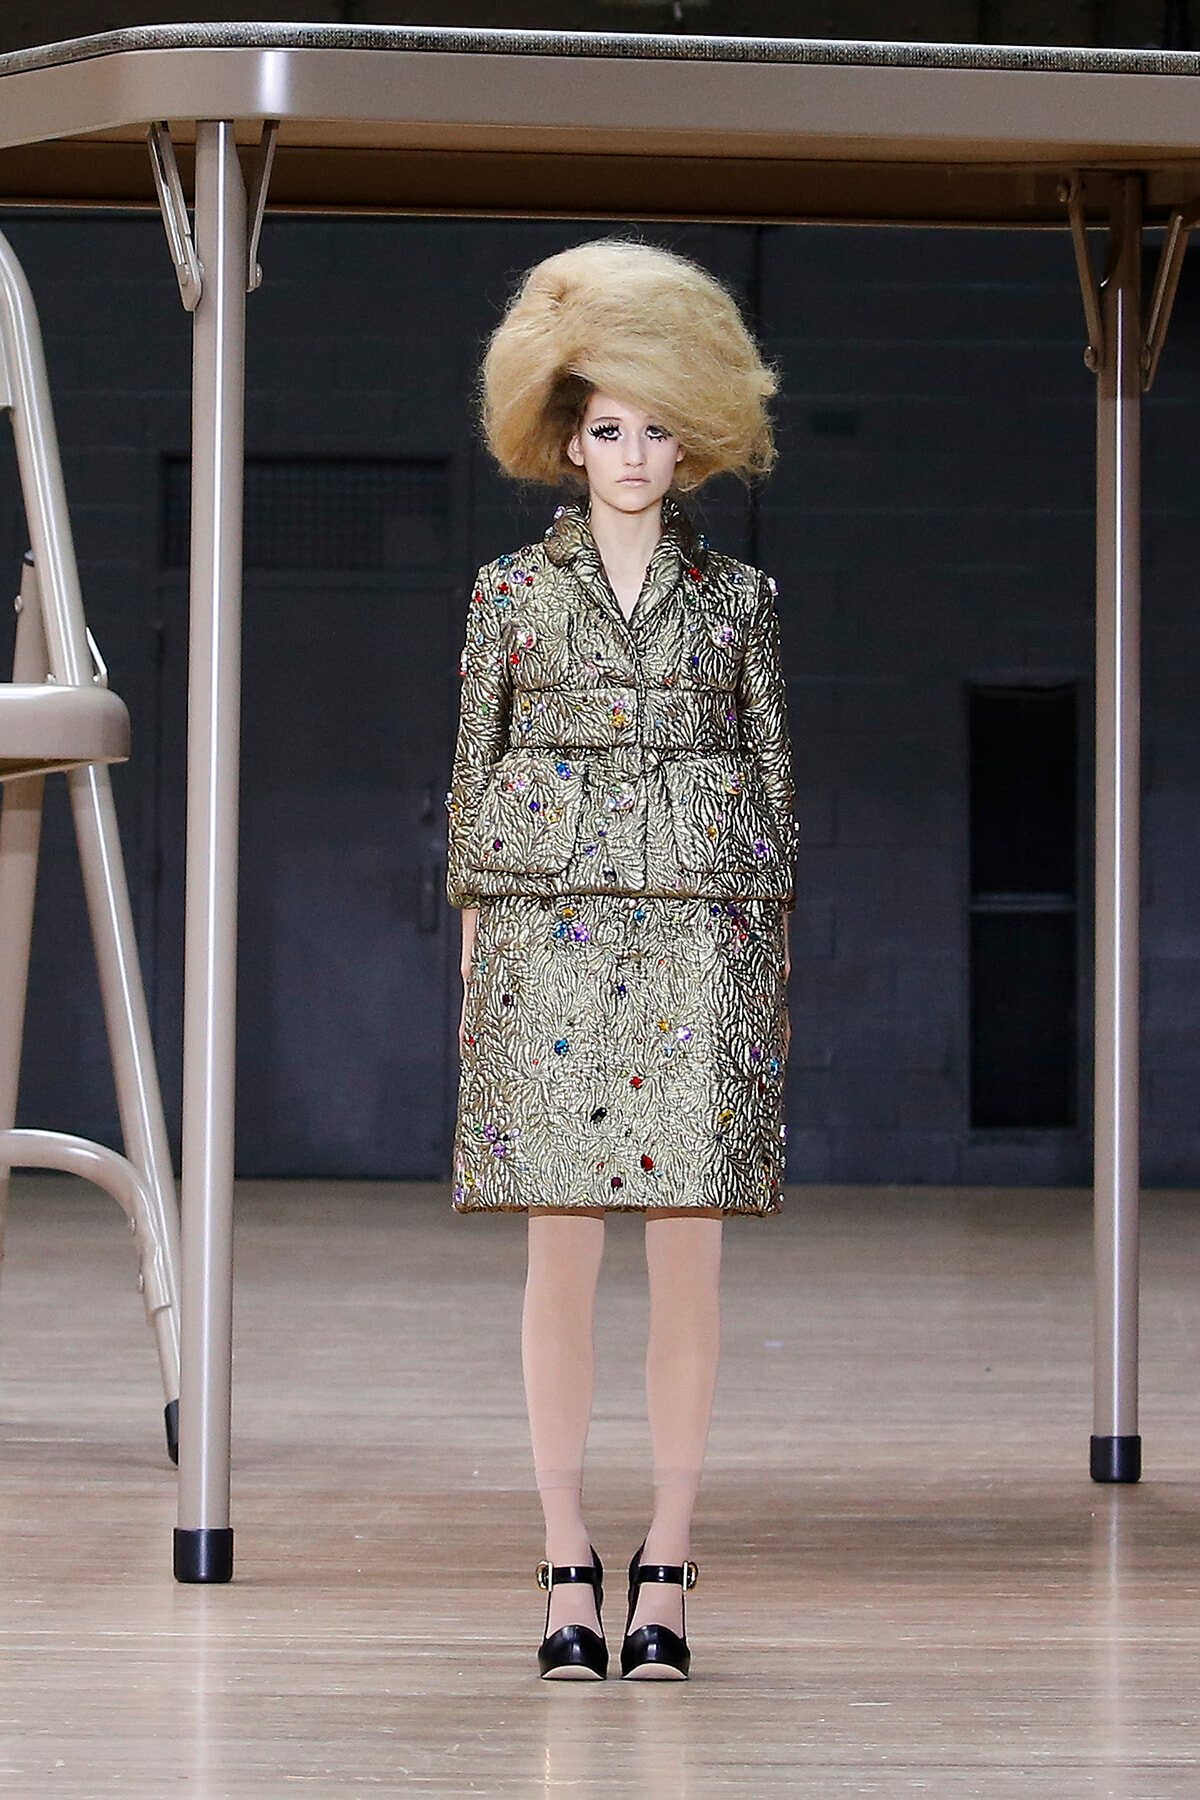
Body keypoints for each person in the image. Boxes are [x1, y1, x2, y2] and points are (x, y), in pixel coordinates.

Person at [445, 239, 797, 1681]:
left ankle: (669, 1554)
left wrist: (770, 963)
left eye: (657, 428)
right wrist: (478, 955)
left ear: (696, 437)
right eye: (607, 428)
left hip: (705, 941)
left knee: (692, 1263)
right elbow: (475, 777)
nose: (633, 455)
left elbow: (772, 795)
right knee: (561, 1257)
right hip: (548, 943)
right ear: (565, 434)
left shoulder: (741, 602)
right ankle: (561, 1558)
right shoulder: (507, 596)